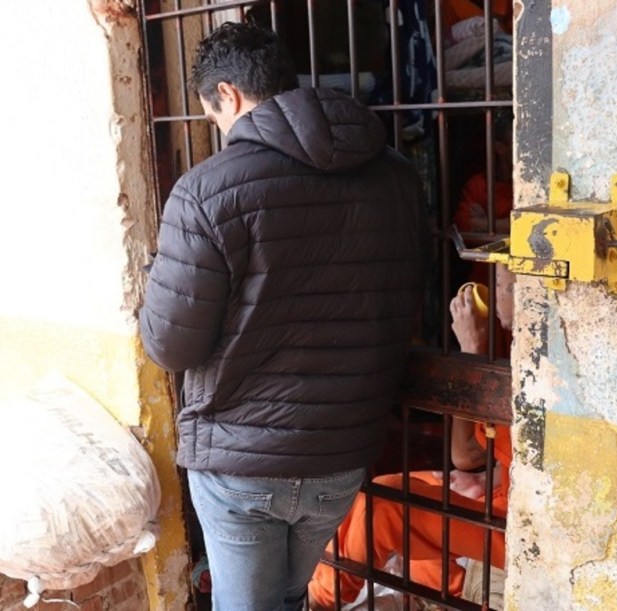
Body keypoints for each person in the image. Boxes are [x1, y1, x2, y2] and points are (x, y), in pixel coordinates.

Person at [138, 22, 427, 611]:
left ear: (228, 95)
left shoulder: (206, 190)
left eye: (212, 115)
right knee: (291, 597)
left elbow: (170, 346)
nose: (219, 129)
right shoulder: (396, 176)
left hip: (241, 459)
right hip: (342, 450)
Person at [309, 266, 515, 610]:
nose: (496, 289)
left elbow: (474, 455)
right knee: (405, 486)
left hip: (521, 527)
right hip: (503, 497)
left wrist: (472, 353)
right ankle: (432, 587)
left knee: (383, 507)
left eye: (506, 282)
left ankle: (319, 602)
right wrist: (485, 477)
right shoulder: (508, 338)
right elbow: (466, 456)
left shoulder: (545, 360)